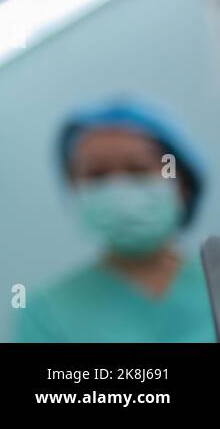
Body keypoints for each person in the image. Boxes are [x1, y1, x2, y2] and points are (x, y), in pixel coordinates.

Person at [15, 98, 211, 342]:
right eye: (97, 175)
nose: (118, 188)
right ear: (74, 190)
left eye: (137, 169)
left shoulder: (213, 281)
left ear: (182, 183)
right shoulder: (45, 312)